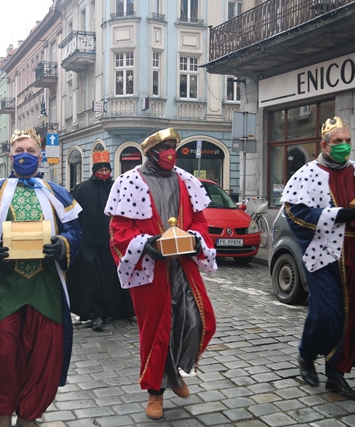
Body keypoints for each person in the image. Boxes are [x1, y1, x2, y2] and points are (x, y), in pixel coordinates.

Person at [0, 129, 82, 427]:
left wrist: (64, 244)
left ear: (40, 157)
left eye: (31, 151)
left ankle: (29, 415)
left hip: (46, 287)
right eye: (19, 151)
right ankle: (3, 413)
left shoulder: (57, 194)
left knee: (45, 353)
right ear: (10, 157)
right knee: (4, 353)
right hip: (5, 287)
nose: (25, 156)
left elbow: (75, 232)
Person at [105, 128, 217, 420]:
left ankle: (174, 373)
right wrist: (146, 244)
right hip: (150, 270)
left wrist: (195, 240)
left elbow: (200, 221)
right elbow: (119, 231)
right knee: (157, 330)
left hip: (183, 265)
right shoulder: (129, 182)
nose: (170, 152)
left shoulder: (186, 180)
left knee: (197, 320)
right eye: (165, 147)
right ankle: (155, 390)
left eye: (173, 146)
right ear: (151, 152)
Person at [281, 116, 355, 401]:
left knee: (352, 314)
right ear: (324, 145)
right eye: (338, 141)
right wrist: (336, 214)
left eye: (347, 141)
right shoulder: (307, 173)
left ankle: (336, 375)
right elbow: (295, 213)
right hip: (324, 256)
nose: (344, 146)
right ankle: (307, 354)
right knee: (327, 313)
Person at [67, 149, 134, 331]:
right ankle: (97, 314)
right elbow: (73, 216)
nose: (104, 173)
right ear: (94, 170)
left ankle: (119, 310)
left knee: (114, 278)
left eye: (106, 170)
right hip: (89, 243)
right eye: (100, 170)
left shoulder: (117, 187)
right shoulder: (82, 189)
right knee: (93, 281)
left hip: (114, 242)